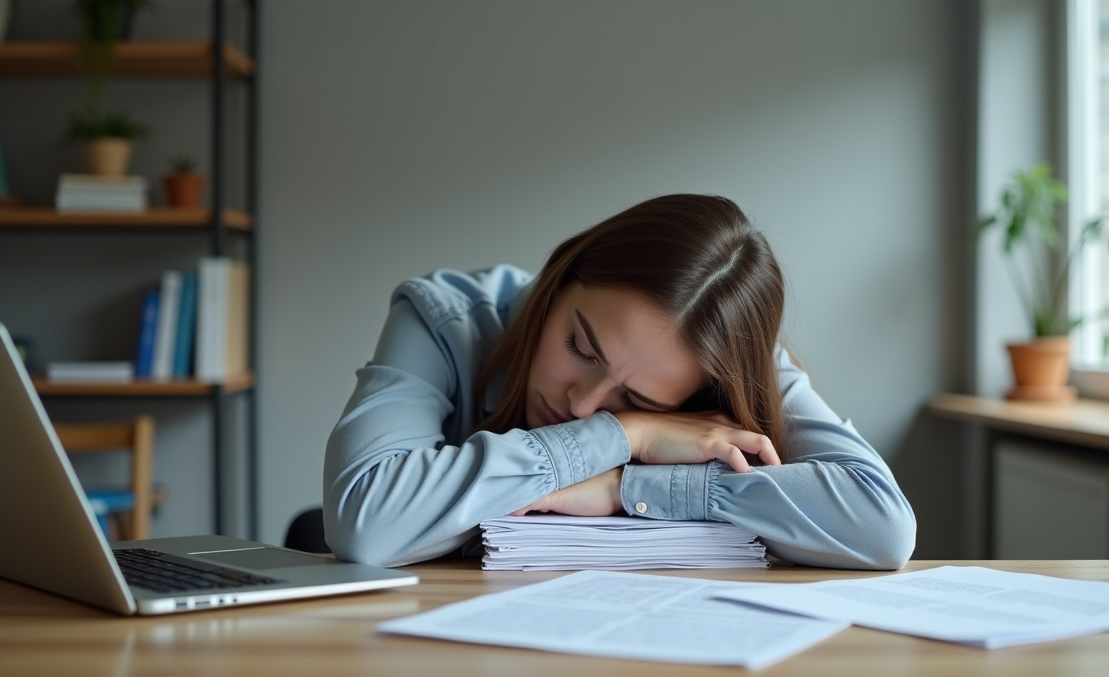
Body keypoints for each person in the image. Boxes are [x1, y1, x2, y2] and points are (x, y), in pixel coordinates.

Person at [324, 194, 916, 569]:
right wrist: (623, 432)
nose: (582, 402)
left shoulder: (733, 369)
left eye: (639, 399)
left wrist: (623, 487)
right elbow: (369, 523)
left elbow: (882, 527)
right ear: (560, 280)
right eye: (580, 346)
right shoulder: (446, 317)